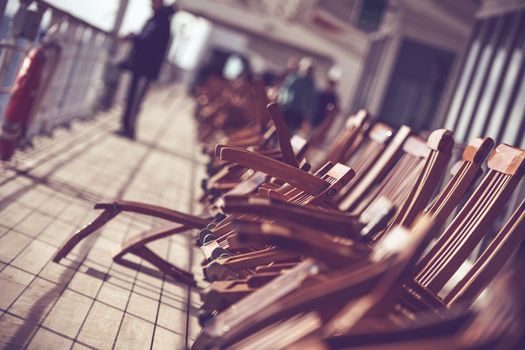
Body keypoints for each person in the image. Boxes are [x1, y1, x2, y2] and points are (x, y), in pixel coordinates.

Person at [117, 0, 177, 139]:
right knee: (133, 99)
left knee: (135, 99)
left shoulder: (160, 20)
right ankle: (127, 127)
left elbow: (147, 40)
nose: (150, 3)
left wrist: (132, 37)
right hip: (143, 67)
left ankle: (129, 129)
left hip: (144, 68)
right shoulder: (160, 18)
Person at [277, 57, 317, 133]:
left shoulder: (311, 84)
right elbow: (286, 91)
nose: (308, 71)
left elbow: (311, 101)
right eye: (308, 68)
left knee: (291, 132)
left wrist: (308, 116)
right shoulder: (294, 78)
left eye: (310, 69)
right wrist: (282, 103)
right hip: (288, 109)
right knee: (280, 129)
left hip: (300, 114)